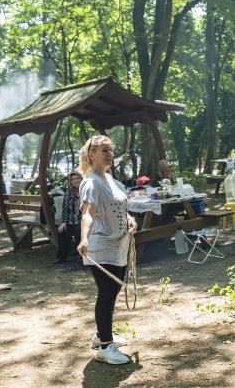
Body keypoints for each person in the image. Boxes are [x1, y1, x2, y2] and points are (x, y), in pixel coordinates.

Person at [76, 135, 138, 365]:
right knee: (107, 294)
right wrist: (84, 239)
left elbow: (121, 206)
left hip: (119, 244)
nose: (109, 153)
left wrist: (130, 219)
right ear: (92, 154)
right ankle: (105, 347)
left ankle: (101, 335)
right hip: (101, 246)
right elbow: (88, 214)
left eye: (111, 149)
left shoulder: (111, 179)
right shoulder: (91, 182)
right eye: (104, 150)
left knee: (112, 293)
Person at [55, 172, 82, 264]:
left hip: (83, 219)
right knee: (62, 230)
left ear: (81, 179)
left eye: (77, 178)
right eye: (73, 179)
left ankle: (82, 256)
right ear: (70, 182)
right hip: (71, 220)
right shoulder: (68, 192)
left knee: (79, 230)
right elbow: (65, 208)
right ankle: (62, 257)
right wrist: (63, 222)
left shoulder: (86, 190)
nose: (75, 180)